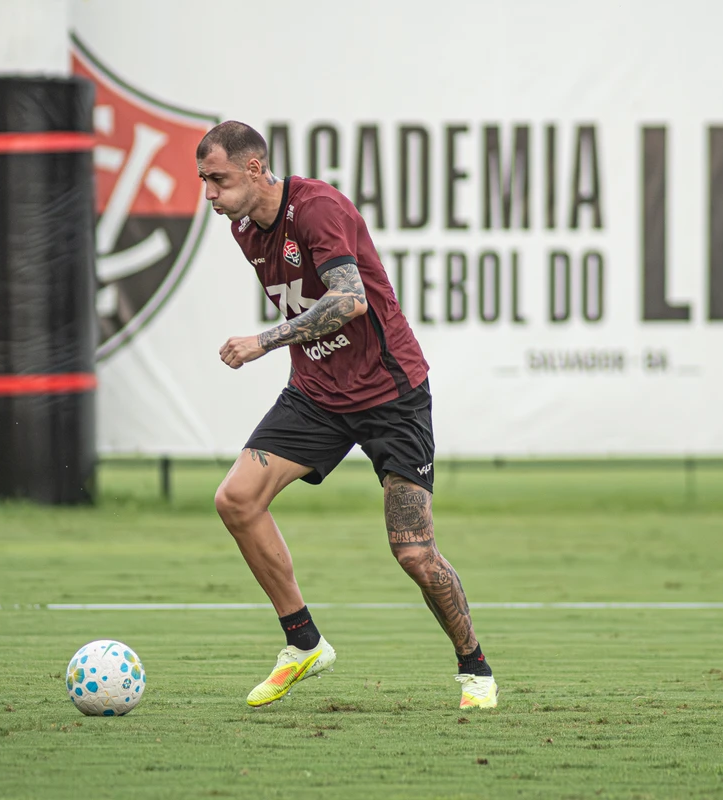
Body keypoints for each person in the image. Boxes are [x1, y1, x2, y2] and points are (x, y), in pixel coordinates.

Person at [196, 120, 497, 710]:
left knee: (413, 552)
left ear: (255, 170)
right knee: (235, 499)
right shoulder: (241, 226)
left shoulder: (318, 208)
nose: (208, 193)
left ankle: (475, 667)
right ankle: (303, 642)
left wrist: (265, 340)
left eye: (218, 179)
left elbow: (351, 300)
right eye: (204, 180)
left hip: (391, 394)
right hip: (317, 395)